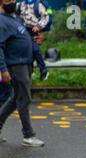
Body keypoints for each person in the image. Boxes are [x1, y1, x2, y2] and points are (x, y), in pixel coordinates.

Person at [0, 0, 44, 147]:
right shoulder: (1, 21)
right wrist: (3, 69)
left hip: (25, 63)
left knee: (16, 99)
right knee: (24, 99)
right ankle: (28, 135)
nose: (11, 1)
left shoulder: (15, 18)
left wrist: (37, 39)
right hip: (16, 65)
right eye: (7, 0)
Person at [17, 0, 50, 81]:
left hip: (34, 30)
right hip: (24, 29)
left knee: (35, 49)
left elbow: (45, 17)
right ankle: (31, 71)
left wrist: (39, 26)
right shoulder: (21, 4)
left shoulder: (38, 5)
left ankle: (43, 69)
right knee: (28, 50)